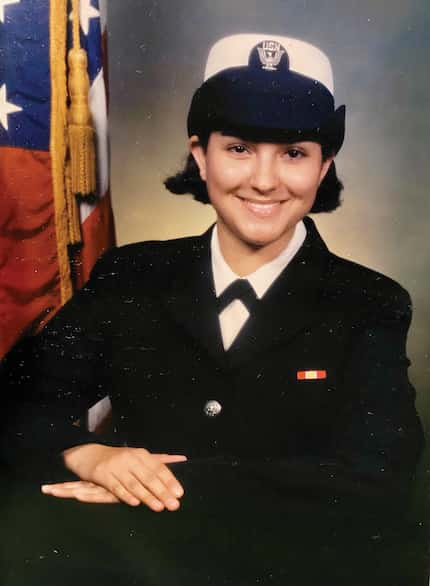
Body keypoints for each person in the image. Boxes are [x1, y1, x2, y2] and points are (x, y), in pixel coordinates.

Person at [2, 34, 425, 585]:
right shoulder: (131, 275)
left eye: (294, 153)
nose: (265, 180)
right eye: (240, 148)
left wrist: (161, 485)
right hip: (132, 567)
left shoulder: (370, 302)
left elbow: (380, 475)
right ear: (200, 155)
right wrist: (88, 456)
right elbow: (22, 400)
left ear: (324, 169)